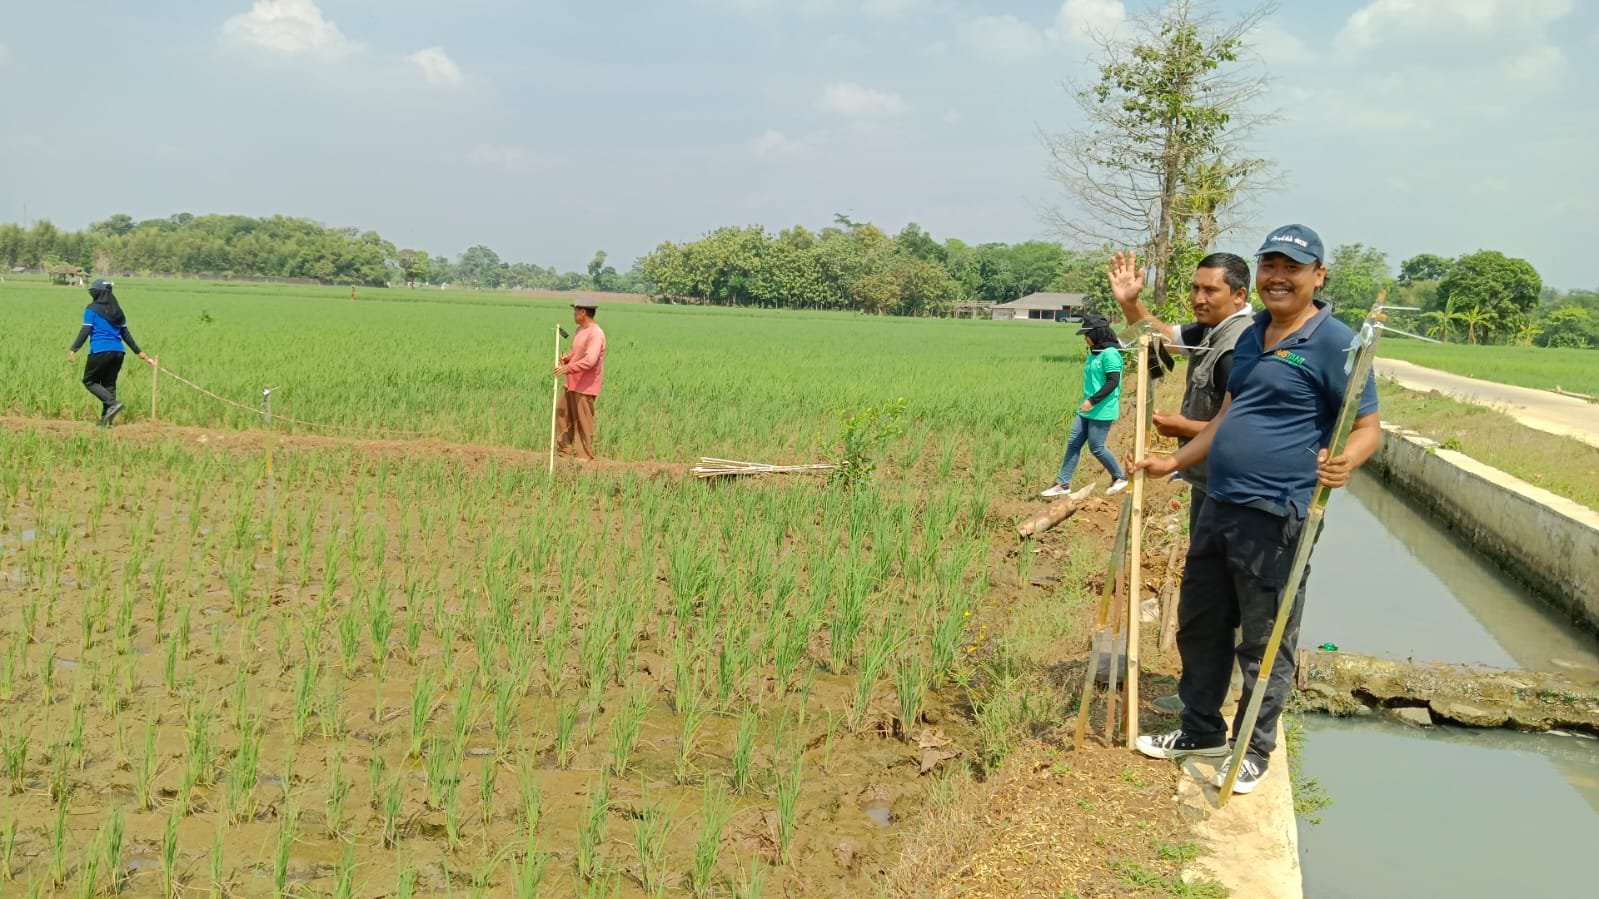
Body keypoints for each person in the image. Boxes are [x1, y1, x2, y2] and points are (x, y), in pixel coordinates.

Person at [1130, 225, 1381, 795]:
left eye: (1291, 267)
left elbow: (1368, 428)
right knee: (1201, 621)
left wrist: (1348, 462)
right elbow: (1227, 417)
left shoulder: (1337, 343)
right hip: (1218, 501)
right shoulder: (1250, 335)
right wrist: (1175, 462)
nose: (1277, 277)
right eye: (1269, 265)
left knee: (1265, 639)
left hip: (1278, 514)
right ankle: (1200, 730)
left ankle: (1252, 748)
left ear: (1317, 276)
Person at [1111, 251, 1256, 716]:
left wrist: (1181, 431)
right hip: (1208, 483)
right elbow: (1170, 341)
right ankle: (1206, 691)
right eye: (1195, 288)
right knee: (1209, 596)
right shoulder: (1215, 331)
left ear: (1239, 295)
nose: (1198, 298)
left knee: (1221, 598)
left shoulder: (1240, 345)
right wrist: (1132, 306)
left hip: (1234, 490)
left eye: (1209, 290)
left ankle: (1219, 696)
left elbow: (1240, 423)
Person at [1041, 313, 1129, 498]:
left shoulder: (1111, 355)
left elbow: (1112, 382)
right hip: (1087, 407)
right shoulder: (1095, 352)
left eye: (1087, 334)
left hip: (1102, 408)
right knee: (1074, 443)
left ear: (1097, 333)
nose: (1085, 338)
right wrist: (1087, 402)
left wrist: (1092, 401)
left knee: (1096, 447)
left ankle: (1120, 477)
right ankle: (1062, 483)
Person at [68, 279, 153, 427]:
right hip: (118, 352)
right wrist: (139, 352)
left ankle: (113, 404)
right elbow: (126, 334)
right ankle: (106, 422)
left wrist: (74, 349)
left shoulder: (91, 309)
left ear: (97, 293)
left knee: (89, 381)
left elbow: (85, 330)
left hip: (100, 350)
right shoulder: (118, 311)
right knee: (109, 384)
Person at [553, 301, 607, 460]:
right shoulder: (580, 330)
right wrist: (568, 359)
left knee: (583, 421)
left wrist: (568, 369)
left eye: (575, 311)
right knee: (562, 415)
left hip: (586, 386)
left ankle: (584, 457)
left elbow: (590, 360)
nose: (574, 314)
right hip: (571, 383)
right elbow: (577, 353)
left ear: (583, 312)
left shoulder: (596, 334)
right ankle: (565, 452)